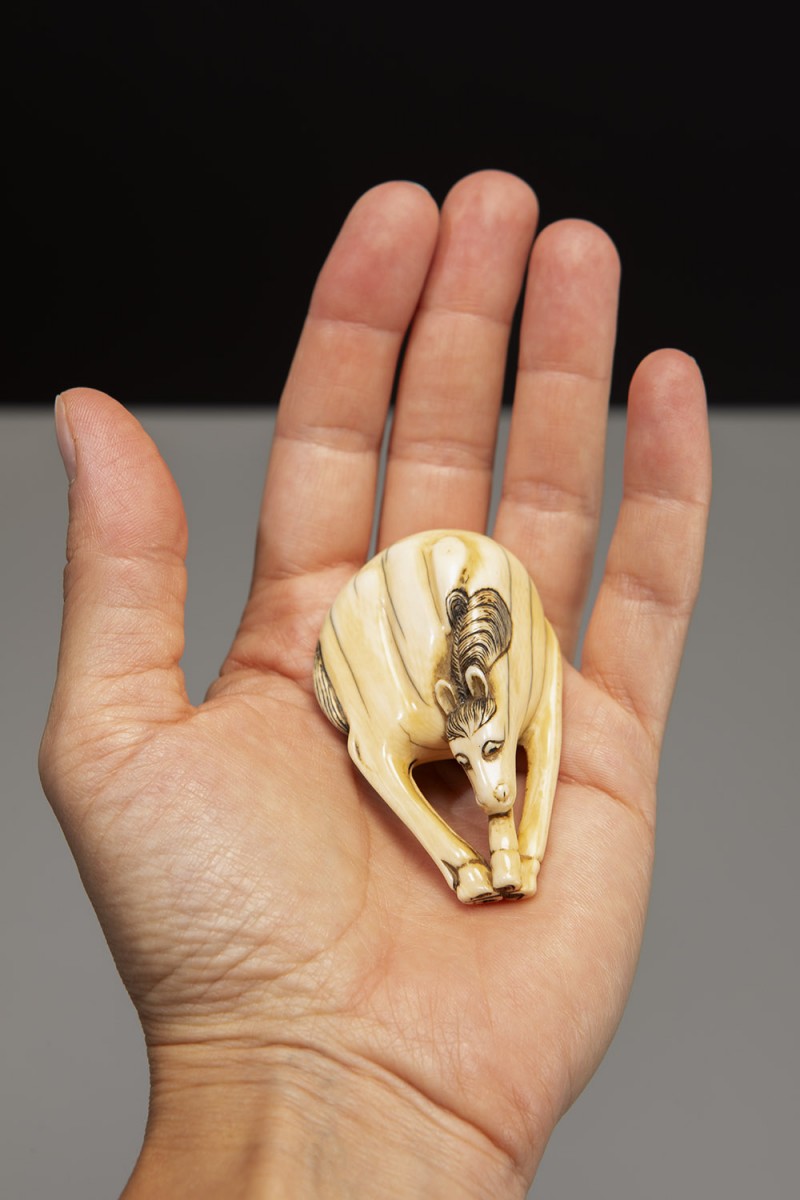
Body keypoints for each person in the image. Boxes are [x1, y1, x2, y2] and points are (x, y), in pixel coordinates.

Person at [39, 170, 711, 1198]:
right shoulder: (398, 713)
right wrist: (458, 860)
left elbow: (527, 742)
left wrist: (522, 844)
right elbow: (400, 758)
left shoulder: (526, 686)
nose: (489, 787)